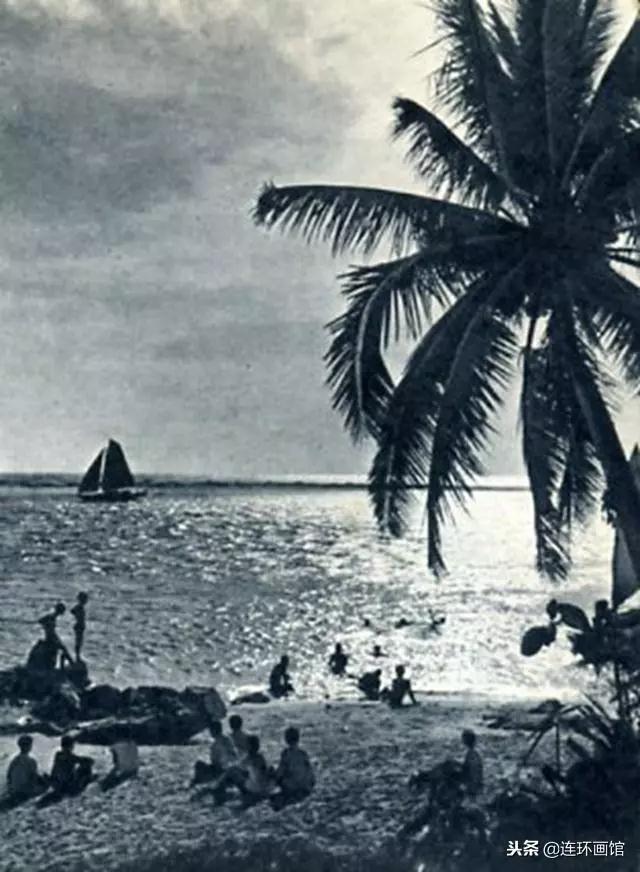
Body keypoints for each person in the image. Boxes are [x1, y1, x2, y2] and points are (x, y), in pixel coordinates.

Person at [213, 735, 273, 807]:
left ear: (249, 746)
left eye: (246, 744)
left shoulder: (249, 758)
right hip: (263, 787)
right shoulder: (260, 757)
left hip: (254, 789)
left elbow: (239, 767)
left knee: (231, 771)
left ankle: (219, 793)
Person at [270, 726, 315, 810]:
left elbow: (280, 773)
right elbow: (310, 770)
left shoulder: (286, 754)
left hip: (293, 787)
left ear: (286, 740)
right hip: (306, 786)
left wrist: (273, 775)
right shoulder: (303, 753)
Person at [191, 720, 237, 786]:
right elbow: (234, 754)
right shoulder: (228, 739)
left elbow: (214, 762)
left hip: (221, 771)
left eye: (211, 731)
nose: (210, 733)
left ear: (214, 731)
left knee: (199, 764)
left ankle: (198, 781)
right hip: (232, 767)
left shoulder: (215, 745)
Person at [5, 735, 47, 805]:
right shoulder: (31, 760)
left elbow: (8, 775)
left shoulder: (15, 759)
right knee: (45, 783)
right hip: (25, 790)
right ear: (29, 746)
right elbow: (33, 777)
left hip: (14, 789)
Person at [37, 602, 73, 669]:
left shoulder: (52, 617)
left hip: (51, 637)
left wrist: (46, 626)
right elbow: (41, 621)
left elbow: (41, 621)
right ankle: (71, 664)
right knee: (63, 648)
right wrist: (46, 627)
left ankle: (69, 664)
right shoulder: (51, 617)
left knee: (62, 648)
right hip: (50, 638)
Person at [461, 729, 483, 798]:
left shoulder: (471, 754)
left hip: (472, 786)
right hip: (474, 784)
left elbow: (473, 772)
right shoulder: (475, 752)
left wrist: (470, 787)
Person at [70, 592, 89, 662]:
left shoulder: (80, 607)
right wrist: (77, 616)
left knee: (79, 641)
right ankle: (77, 656)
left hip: (80, 625)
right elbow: (72, 611)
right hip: (79, 625)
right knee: (78, 641)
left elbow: (72, 611)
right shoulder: (79, 607)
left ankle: (78, 655)